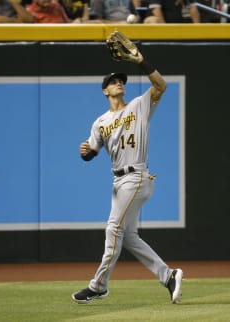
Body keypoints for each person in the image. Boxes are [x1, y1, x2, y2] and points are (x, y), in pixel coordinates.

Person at [71, 48, 183, 304]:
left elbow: (161, 85)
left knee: (113, 229)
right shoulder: (100, 122)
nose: (118, 83)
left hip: (136, 176)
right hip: (118, 181)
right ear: (105, 91)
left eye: (120, 80)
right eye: (113, 81)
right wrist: (85, 152)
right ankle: (169, 276)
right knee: (129, 237)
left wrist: (141, 61)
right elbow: (91, 153)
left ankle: (98, 285)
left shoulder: (139, 105)